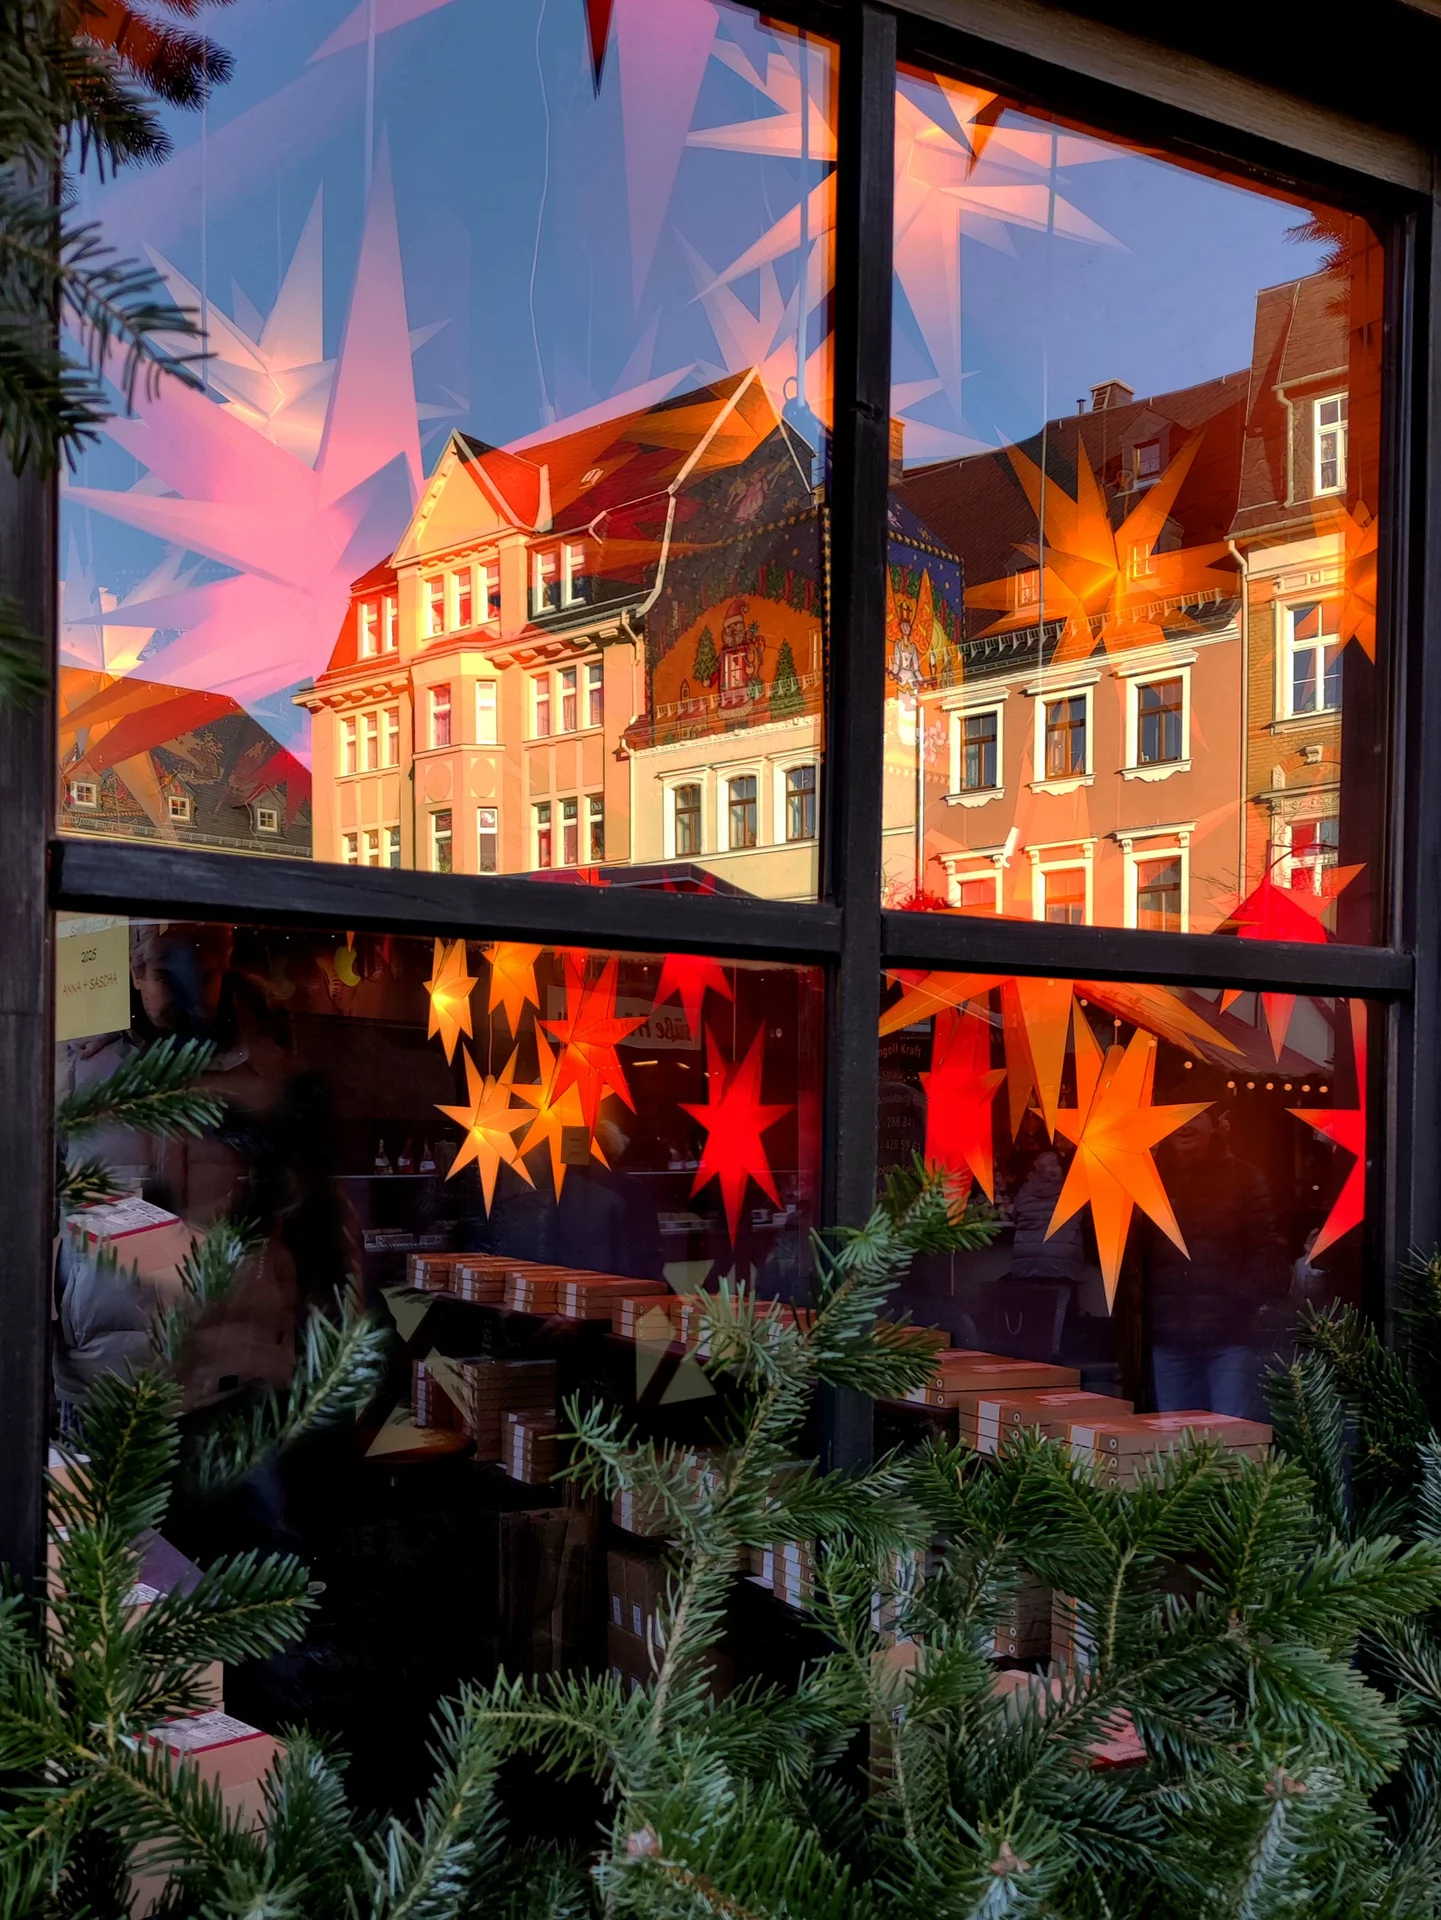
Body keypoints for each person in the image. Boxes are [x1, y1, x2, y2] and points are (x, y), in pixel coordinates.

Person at [1145, 1107, 1286, 1421]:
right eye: (1176, 1118)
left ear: (1213, 1125)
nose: (1184, 1126)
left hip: (1228, 1335)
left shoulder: (1245, 1178)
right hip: (1167, 1335)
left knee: (1231, 1433)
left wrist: (1241, 1296)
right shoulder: (1144, 1179)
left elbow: (1265, 1248)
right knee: (1174, 1436)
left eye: (1194, 1117)